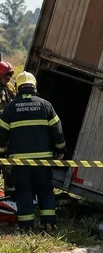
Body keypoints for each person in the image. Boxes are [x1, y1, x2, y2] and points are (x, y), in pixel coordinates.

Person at [0, 72, 66, 232]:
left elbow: (1, 135)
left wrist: (2, 154)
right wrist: (60, 149)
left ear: (18, 87)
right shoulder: (45, 105)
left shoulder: (10, 108)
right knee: (45, 190)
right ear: (34, 86)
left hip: (20, 162)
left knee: (24, 192)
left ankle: (26, 227)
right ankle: (49, 223)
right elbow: (57, 130)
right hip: (43, 161)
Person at [0, 60, 16, 200]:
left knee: (9, 170)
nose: (8, 79)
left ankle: (10, 199)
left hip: (8, 137)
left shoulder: (10, 89)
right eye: (5, 77)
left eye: (9, 77)